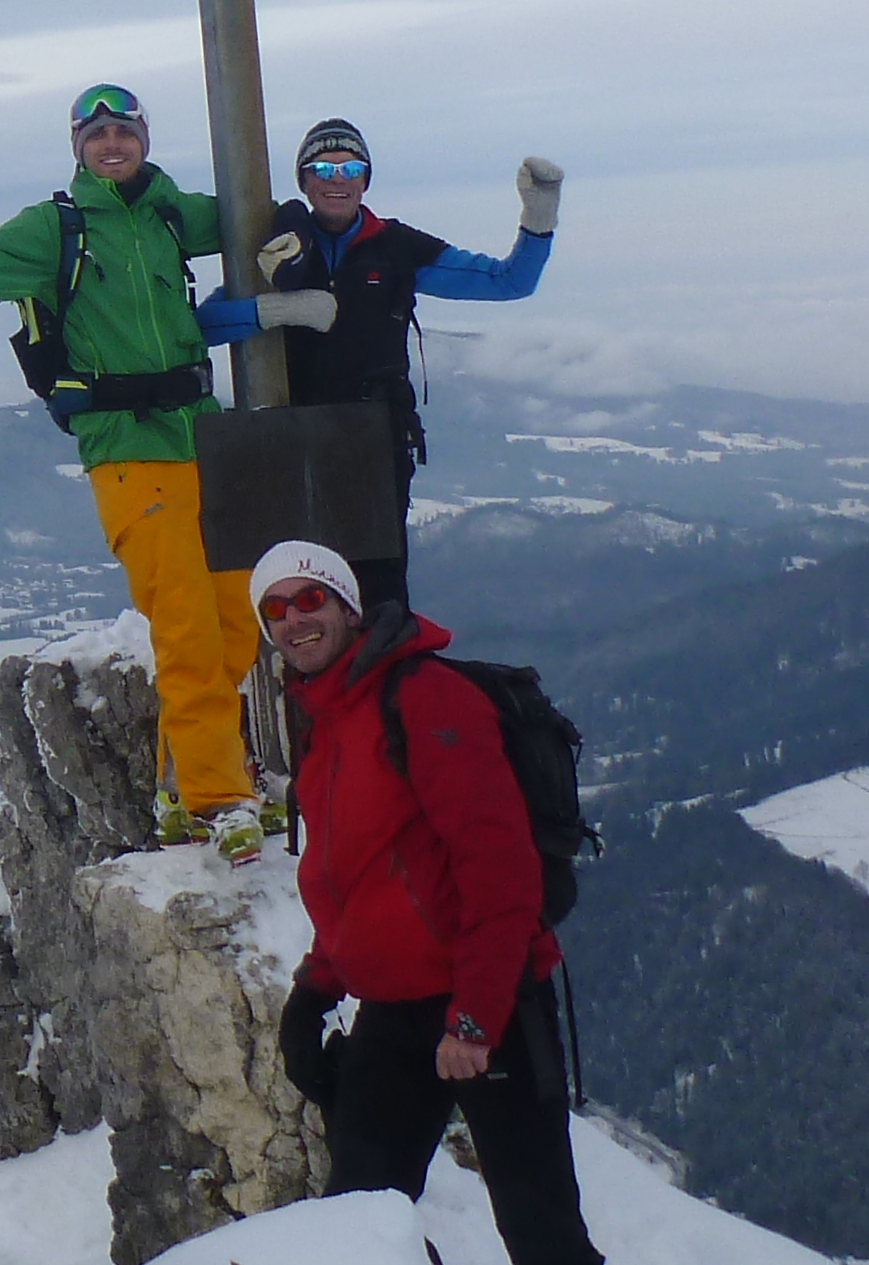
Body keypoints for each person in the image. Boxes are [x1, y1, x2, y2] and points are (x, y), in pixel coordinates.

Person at [0, 82, 305, 862]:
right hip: (126, 450)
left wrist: (298, 225)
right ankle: (220, 800)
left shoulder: (174, 213)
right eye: (95, 134)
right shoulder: (56, 229)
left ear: (143, 139)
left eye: (123, 131)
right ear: (77, 148)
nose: (111, 144)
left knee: (234, 624)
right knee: (185, 625)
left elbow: (254, 216)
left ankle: (181, 787)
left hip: (203, 439)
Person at [251, 539, 601, 1265]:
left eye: (310, 599)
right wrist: (315, 991)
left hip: (494, 1001)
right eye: (275, 610)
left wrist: (474, 1018)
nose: (294, 620)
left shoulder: (424, 697)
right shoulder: (325, 718)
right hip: (394, 1009)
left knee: (543, 1236)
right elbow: (353, 878)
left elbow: (498, 867)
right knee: (355, 1225)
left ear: (349, 608)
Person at [191, 120, 562, 614]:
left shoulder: (396, 248)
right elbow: (200, 329)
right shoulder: (278, 251)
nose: (337, 179)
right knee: (292, 590)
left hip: (372, 437)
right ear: (304, 181)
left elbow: (509, 281)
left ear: (366, 180)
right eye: (323, 168)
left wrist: (539, 218)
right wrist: (274, 310)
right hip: (284, 435)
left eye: (351, 168)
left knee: (377, 591)